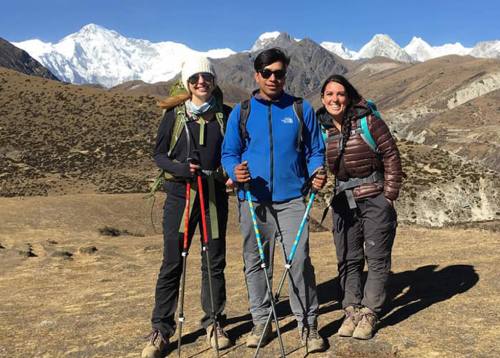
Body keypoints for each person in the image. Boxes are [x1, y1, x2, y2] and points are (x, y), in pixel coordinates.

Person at [221, 47, 327, 352]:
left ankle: (307, 325)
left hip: (293, 198)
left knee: (299, 261)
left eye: (279, 73)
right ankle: (261, 323)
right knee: (256, 263)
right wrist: (233, 170)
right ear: (257, 75)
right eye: (267, 73)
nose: (273, 78)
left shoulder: (300, 108)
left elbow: (314, 150)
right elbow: (229, 152)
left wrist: (317, 170)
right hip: (253, 200)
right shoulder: (241, 112)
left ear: (285, 75)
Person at [142, 56, 233, 358]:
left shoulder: (226, 115)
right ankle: (161, 329)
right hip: (181, 197)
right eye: (195, 78)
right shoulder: (174, 115)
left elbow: (233, 153)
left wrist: (228, 175)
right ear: (187, 82)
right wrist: (182, 169)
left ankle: (214, 322)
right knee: (172, 262)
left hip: (214, 197)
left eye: (206, 77)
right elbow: (159, 155)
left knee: (214, 261)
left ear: (213, 80)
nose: (201, 83)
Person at [316, 74, 403, 340]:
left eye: (340, 94)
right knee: (348, 258)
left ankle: (370, 312)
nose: (335, 99)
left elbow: (391, 155)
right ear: (322, 98)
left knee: (377, 258)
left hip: (374, 196)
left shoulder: (368, 122)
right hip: (343, 201)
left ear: (348, 96)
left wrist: (389, 196)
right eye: (329, 94)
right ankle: (351, 309)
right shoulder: (323, 129)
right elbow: (316, 161)